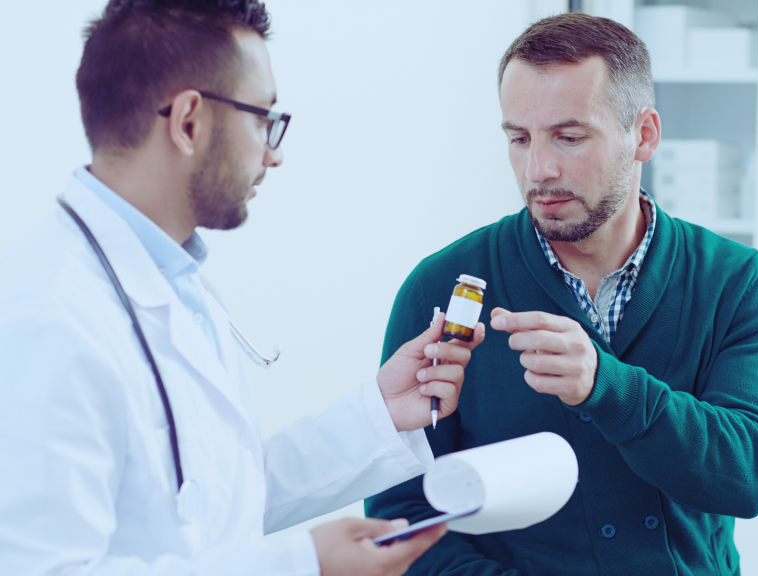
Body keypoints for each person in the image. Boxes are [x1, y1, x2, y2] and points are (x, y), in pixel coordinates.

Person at [0, 1, 485, 575]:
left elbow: (210, 501)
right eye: (263, 119)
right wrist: (301, 566)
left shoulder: (173, 279)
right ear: (188, 122)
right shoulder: (49, 318)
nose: (274, 154)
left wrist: (380, 414)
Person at [366, 12, 758, 575]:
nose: (538, 169)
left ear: (644, 134)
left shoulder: (733, 282)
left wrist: (605, 386)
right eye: (519, 138)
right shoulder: (444, 288)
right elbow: (401, 518)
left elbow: (749, 477)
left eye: (569, 137)